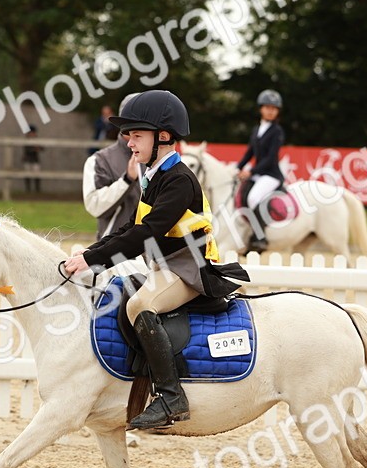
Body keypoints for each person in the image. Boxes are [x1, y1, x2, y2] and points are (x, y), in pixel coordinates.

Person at [64, 90, 250, 430]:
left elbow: (146, 234)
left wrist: (94, 259)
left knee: (140, 305)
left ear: (162, 136)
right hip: (166, 265)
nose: (129, 142)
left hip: (188, 269)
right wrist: (91, 253)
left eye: (136, 135)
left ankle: (171, 397)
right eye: (129, 136)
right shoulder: (155, 176)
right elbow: (129, 227)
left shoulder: (179, 180)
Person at [235, 89, 287, 252]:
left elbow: (271, 158)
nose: (270, 111)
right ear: (261, 109)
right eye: (267, 107)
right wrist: (238, 167)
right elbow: (250, 152)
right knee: (241, 193)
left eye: (274, 108)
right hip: (259, 174)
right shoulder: (257, 129)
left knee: (253, 198)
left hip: (271, 175)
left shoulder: (277, 131)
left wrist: (251, 171)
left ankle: (260, 237)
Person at [82, 95, 141, 238]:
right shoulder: (99, 161)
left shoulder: (162, 159)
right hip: (115, 248)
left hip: (155, 249)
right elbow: (94, 205)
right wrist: (127, 180)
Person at [22, 125, 43, 193]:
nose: (32, 134)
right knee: (27, 175)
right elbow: (28, 149)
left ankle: (37, 190)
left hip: (35, 160)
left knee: (37, 175)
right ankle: (28, 190)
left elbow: (42, 148)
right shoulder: (26, 140)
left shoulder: (37, 140)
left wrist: (38, 148)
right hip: (28, 160)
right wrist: (35, 149)